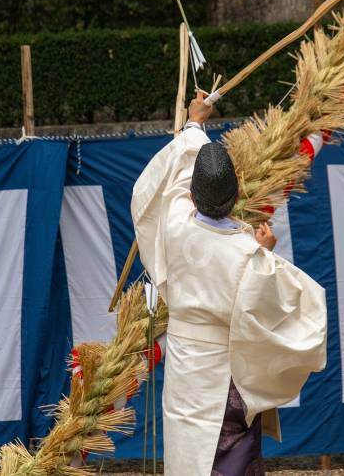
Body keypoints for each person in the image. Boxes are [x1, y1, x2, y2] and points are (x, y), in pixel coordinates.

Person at [131, 92, 328, 476]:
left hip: (186, 366)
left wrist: (194, 125)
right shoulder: (247, 254)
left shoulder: (173, 223)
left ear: (191, 196)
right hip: (227, 373)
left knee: (187, 454)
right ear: (237, 197)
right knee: (229, 461)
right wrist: (267, 254)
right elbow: (294, 306)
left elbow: (167, 181)